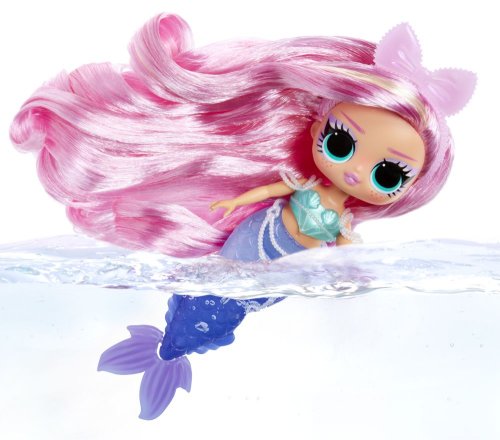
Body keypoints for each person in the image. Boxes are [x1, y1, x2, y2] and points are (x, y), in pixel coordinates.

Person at [10, 14, 476, 419]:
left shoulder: (340, 223)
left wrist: (350, 269)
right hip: (256, 238)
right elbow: (273, 190)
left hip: (278, 274)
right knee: (218, 290)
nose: (355, 171)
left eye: (388, 174)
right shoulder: (306, 186)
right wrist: (234, 204)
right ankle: (169, 345)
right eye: (341, 142)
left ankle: (175, 351)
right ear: (319, 126)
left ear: (412, 187)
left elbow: (341, 251)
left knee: (236, 306)